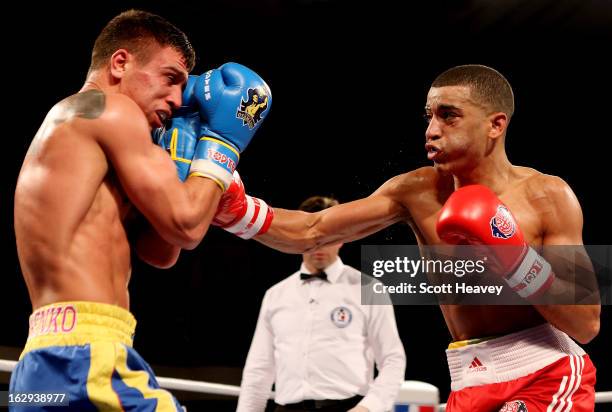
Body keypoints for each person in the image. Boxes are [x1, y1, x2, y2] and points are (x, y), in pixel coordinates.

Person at [213, 65, 600, 411]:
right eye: (429, 116)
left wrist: (515, 259)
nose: (431, 131)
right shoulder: (416, 192)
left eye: (449, 116)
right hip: (470, 377)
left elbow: (586, 324)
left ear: (495, 125)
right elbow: (311, 231)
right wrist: (237, 210)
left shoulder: (548, 196)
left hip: (545, 372)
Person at [12, 9, 270, 411]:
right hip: (88, 359)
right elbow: (187, 225)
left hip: (46, 360)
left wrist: (181, 157)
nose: (177, 99)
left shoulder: (76, 127)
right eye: (170, 78)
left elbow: (162, 251)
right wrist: (222, 142)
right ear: (120, 62)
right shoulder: (112, 111)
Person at [236, 196, 406, 412]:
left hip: (348, 406)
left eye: (329, 236)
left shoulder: (368, 289)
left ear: (344, 236)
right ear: (297, 237)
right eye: (315, 236)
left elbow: (393, 359)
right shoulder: (275, 295)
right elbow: (258, 370)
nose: (320, 244)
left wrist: (370, 408)